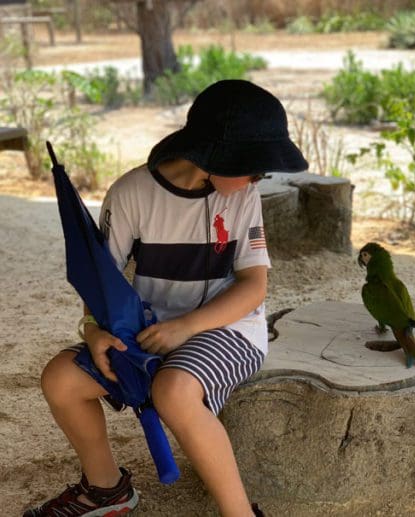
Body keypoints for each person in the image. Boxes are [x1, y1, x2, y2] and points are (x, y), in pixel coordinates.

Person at [24, 80, 308, 517]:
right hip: (146, 329)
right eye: (252, 168)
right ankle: (106, 489)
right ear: (213, 156)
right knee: (60, 379)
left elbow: (254, 286)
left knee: (173, 390)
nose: (258, 179)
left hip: (227, 327)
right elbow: (101, 279)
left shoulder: (242, 198)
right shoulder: (131, 194)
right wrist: (94, 332)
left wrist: (186, 327)